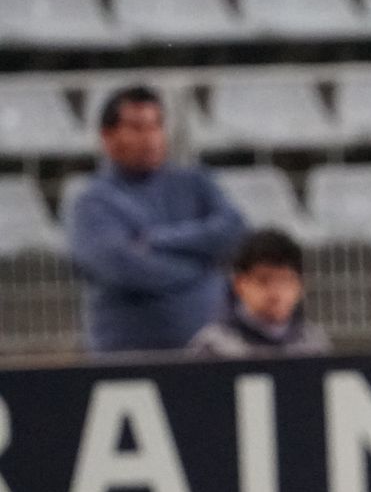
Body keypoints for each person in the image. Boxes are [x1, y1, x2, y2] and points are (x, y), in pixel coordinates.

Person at [68, 86, 246, 353]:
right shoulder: (92, 203)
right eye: (137, 128)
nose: (150, 137)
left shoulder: (195, 182)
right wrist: (206, 269)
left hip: (210, 355)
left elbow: (234, 231)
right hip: (129, 359)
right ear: (108, 136)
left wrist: (159, 241)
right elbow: (123, 267)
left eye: (156, 125)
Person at [188, 228, 331, 357]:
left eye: (285, 280)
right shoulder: (214, 347)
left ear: (300, 285)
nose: (275, 293)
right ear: (240, 284)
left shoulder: (314, 345)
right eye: (263, 280)